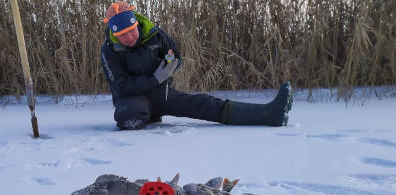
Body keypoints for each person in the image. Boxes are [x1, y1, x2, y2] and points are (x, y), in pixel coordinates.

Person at [100, 2, 293, 130]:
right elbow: (121, 87)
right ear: (114, 34)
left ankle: (270, 114)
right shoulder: (109, 51)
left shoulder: (156, 35)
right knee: (127, 114)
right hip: (133, 100)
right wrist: (154, 79)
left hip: (163, 93)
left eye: (131, 31)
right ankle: (148, 115)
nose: (129, 37)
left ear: (137, 24)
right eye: (123, 35)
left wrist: (170, 65)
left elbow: (175, 56)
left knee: (204, 104)